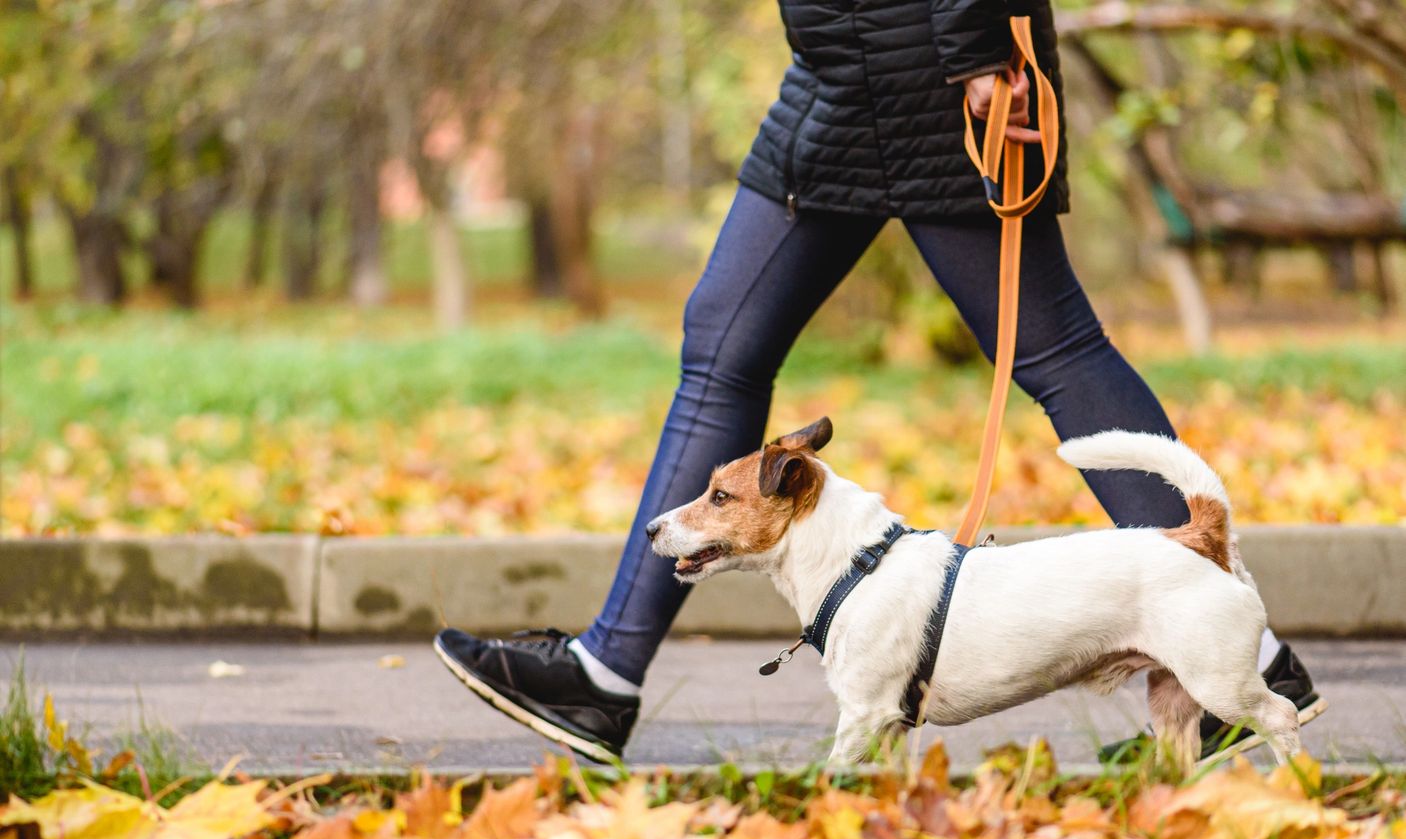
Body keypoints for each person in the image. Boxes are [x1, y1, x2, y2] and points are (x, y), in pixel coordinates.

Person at [434, 0, 1323, 763]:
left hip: (931, 65)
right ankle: (606, 673)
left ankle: (1240, 652)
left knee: (1052, 348)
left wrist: (978, 43)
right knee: (724, 343)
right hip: (840, 69)